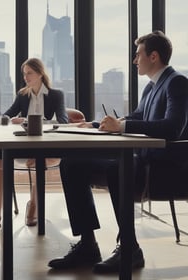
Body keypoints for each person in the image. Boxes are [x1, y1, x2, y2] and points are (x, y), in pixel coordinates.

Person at [48, 30, 188, 273]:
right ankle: (87, 245)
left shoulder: (177, 83)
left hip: (163, 167)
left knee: (117, 168)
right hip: (141, 160)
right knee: (72, 164)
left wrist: (122, 126)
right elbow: (135, 118)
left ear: (153, 56)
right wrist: (96, 124)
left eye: (138, 55)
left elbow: (172, 129)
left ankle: (130, 248)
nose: (135, 60)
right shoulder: (151, 87)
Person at [0, 57, 68, 235]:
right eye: (24, 74)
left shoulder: (56, 95)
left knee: (40, 161)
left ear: (40, 73)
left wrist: (34, 121)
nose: (26, 77)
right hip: (22, 145)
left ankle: (33, 206)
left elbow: (63, 121)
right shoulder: (23, 95)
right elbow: (7, 115)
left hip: (45, 147)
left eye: (29, 73)